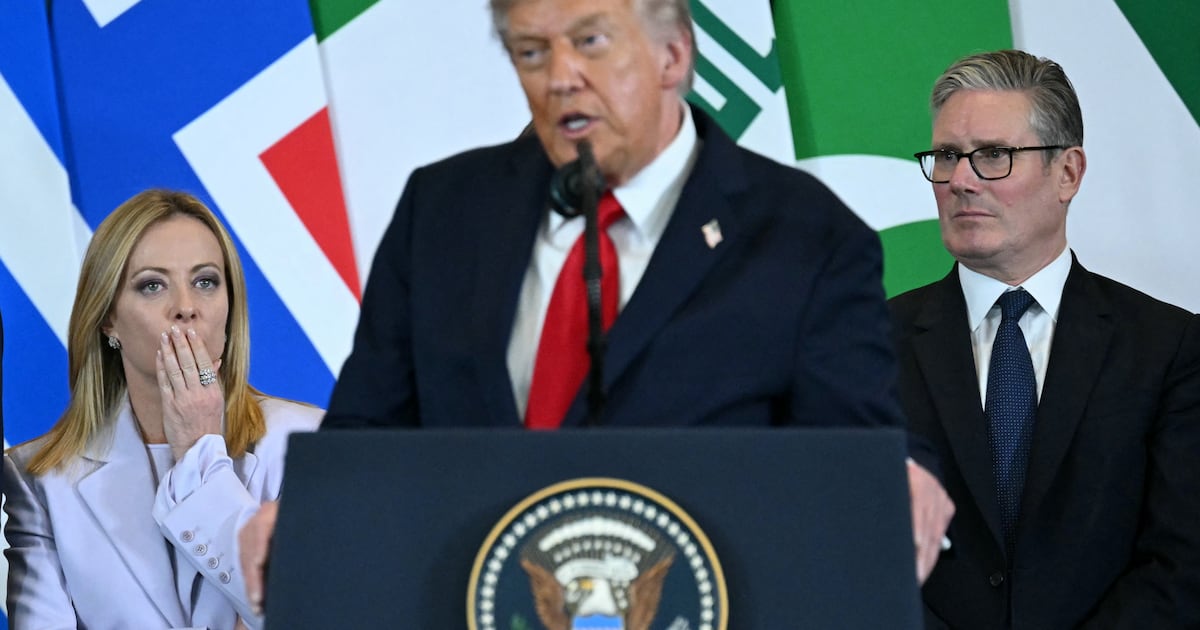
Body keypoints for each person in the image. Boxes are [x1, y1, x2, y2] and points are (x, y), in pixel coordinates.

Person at [240, 0, 954, 612]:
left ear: (673, 54)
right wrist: (306, 518)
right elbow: (367, 432)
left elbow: (851, 460)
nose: (558, 78)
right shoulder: (444, 212)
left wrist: (901, 476)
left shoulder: (804, 238)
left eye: (590, 42)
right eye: (530, 51)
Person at [892, 49, 1200, 629]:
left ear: (1068, 173)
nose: (959, 179)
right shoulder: (866, 349)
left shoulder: (1169, 348)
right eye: (947, 156)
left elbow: (1182, 564)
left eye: (993, 156)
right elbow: (844, 547)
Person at [4, 190, 322, 630]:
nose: (186, 308)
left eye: (206, 281)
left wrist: (199, 450)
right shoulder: (40, 478)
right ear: (107, 318)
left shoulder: (309, 444)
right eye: (152, 285)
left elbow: (311, 613)